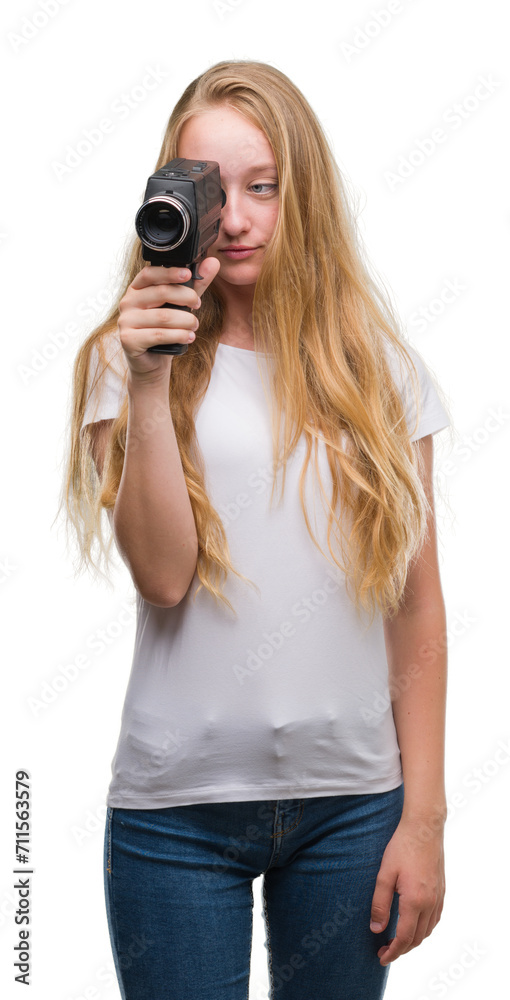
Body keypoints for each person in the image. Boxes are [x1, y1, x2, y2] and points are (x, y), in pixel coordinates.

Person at [60, 60, 452, 1000]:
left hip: (353, 809)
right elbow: (163, 577)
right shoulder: (129, 357)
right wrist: (150, 380)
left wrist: (426, 819)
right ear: (172, 197)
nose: (234, 218)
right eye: (209, 188)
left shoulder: (381, 372)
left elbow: (416, 608)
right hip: (176, 816)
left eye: (263, 187)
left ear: (302, 194)